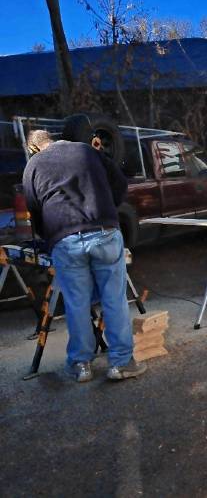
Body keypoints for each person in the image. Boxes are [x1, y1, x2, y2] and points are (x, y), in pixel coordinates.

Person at [22, 129, 146, 382]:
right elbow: (120, 183)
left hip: (65, 239)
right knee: (114, 299)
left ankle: (82, 366)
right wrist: (107, 208)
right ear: (53, 140)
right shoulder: (86, 150)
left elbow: (34, 209)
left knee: (76, 303)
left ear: (34, 148)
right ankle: (121, 364)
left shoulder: (33, 165)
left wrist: (48, 238)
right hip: (104, 232)